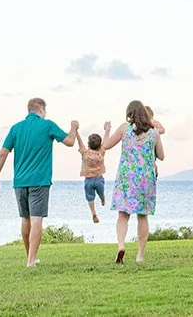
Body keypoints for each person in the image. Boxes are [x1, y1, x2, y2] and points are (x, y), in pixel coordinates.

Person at [0, 97, 78, 267]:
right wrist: (73, 127)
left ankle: (29, 257)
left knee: (25, 219)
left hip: (20, 182)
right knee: (36, 219)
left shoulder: (16, 128)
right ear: (41, 110)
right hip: (39, 180)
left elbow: (3, 153)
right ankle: (31, 260)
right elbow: (70, 142)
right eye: (45, 111)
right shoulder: (47, 125)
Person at [101, 99, 165, 263]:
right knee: (142, 216)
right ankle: (140, 256)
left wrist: (107, 130)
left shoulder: (124, 129)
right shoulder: (154, 132)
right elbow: (162, 156)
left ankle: (121, 245)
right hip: (146, 179)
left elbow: (106, 145)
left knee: (123, 215)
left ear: (129, 115)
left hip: (126, 178)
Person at [77, 132, 107, 223]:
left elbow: (80, 142)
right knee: (101, 193)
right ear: (100, 145)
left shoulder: (85, 153)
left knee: (90, 198)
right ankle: (102, 199)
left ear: (88, 144)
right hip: (98, 179)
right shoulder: (101, 153)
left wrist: (76, 131)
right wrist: (106, 130)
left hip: (88, 180)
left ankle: (93, 212)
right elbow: (105, 142)